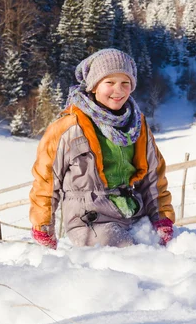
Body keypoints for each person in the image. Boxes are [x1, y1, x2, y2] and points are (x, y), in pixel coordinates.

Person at [29, 48, 175, 249]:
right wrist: (43, 226)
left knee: (162, 249)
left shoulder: (137, 125)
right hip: (89, 217)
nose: (119, 90)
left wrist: (162, 218)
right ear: (93, 86)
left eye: (125, 83)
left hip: (130, 209)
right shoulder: (69, 127)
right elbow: (46, 179)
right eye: (110, 83)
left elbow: (153, 177)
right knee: (126, 252)